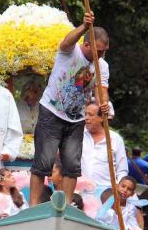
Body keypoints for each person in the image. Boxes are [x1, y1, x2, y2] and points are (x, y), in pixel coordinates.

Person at [30, 11, 110, 206]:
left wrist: (104, 104)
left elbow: (102, 91)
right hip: (52, 112)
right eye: (98, 50)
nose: (101, 55)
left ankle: (65, 206)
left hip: (76, 119)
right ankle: (32, 205)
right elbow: (66, 41)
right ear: (86, 44)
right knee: (44, 163)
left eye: (105, 51)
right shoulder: (70, 52)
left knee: (72, 166)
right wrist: (84, 25)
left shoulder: (102, 66)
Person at [81, 103, 127, 194]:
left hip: (106, 194)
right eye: (85, 114)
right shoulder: (79, 135)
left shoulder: (115, 139)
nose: (86, 118)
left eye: (90, 115)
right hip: (80, 192)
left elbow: (122, 170)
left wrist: (118, 189)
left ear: (102, 118)